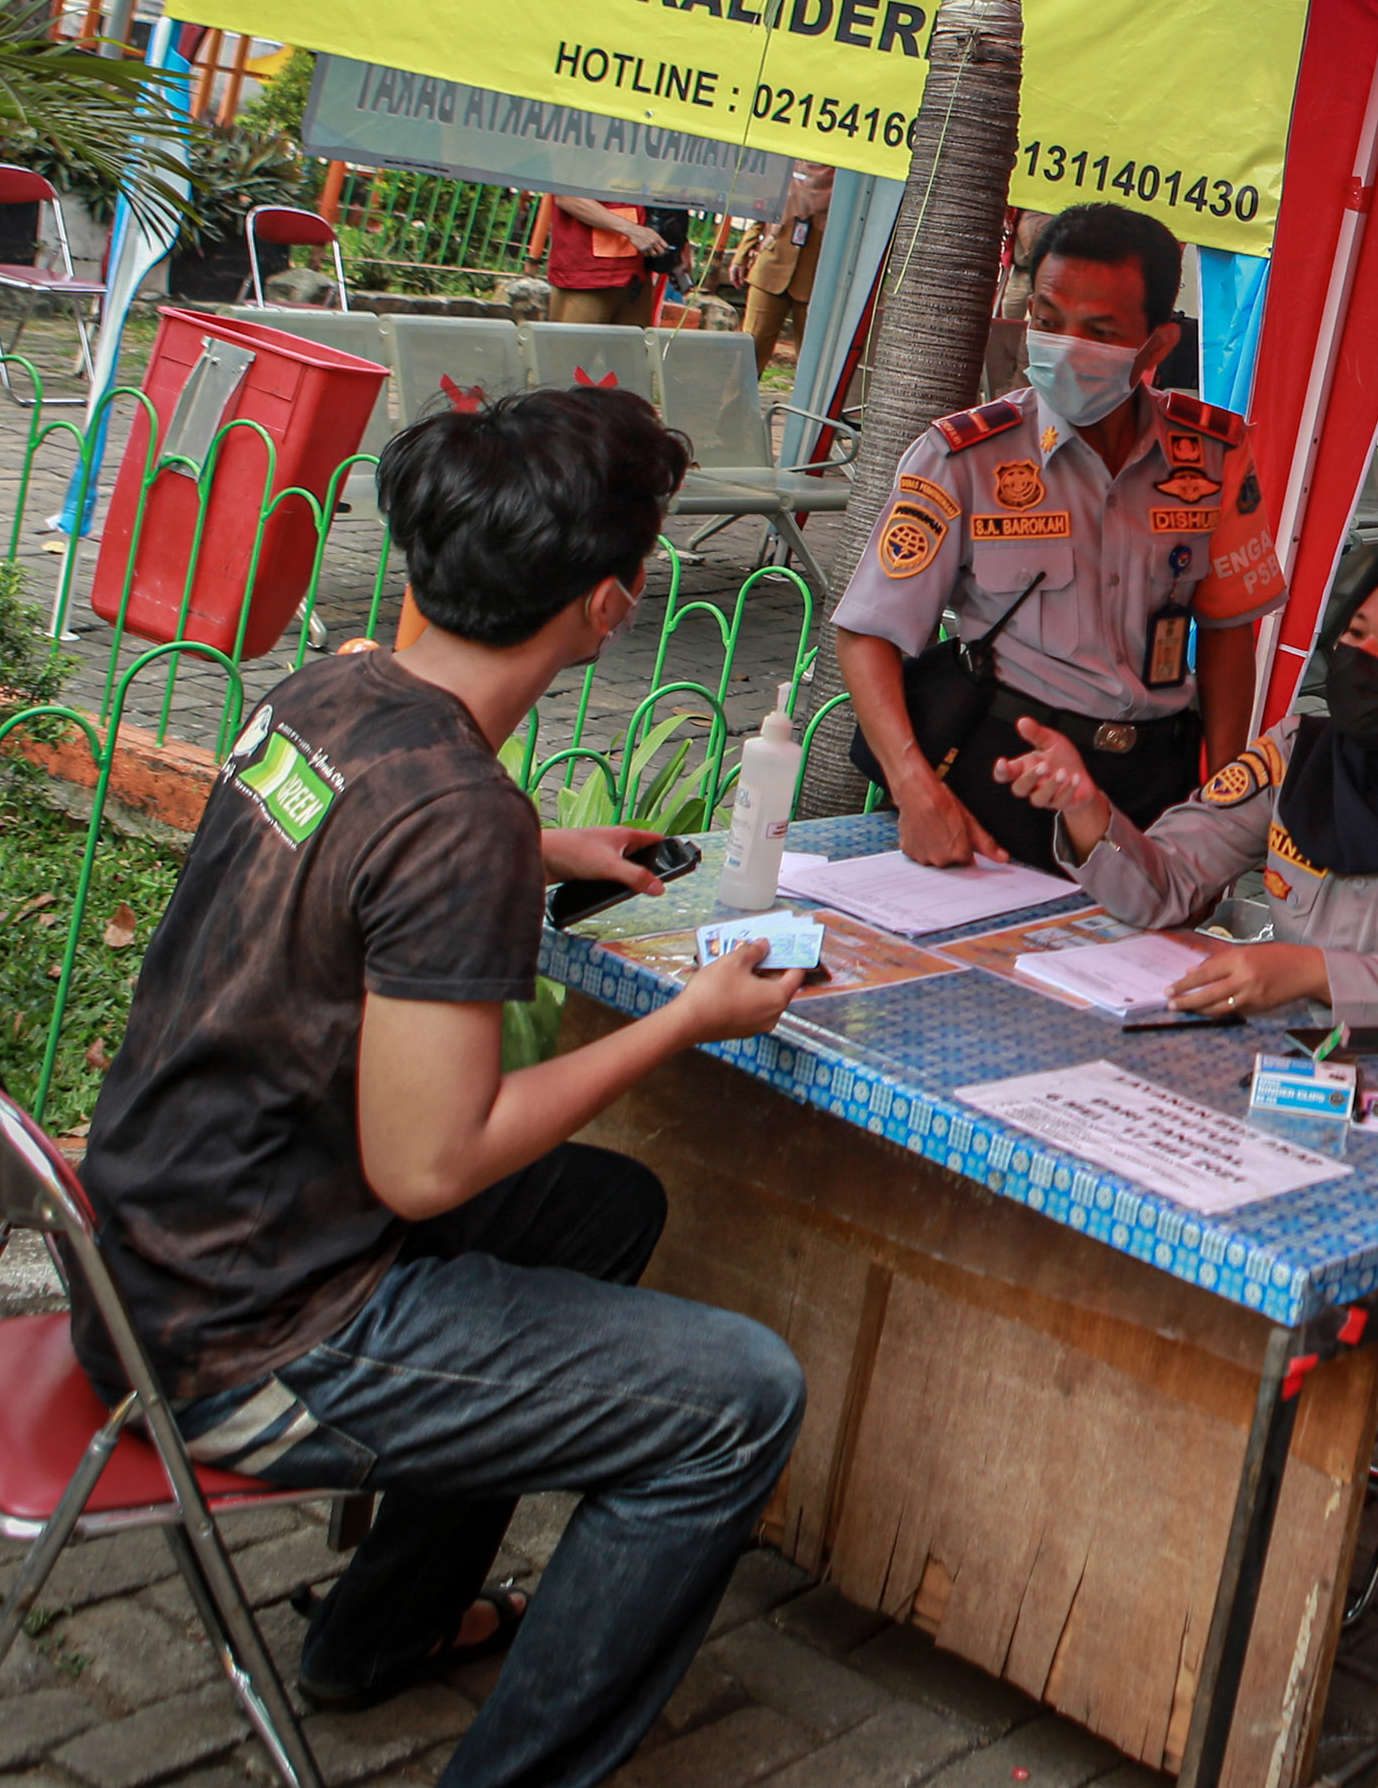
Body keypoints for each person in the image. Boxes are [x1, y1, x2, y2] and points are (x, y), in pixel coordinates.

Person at [73, 387, 812, 1788]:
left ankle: (383, 1628)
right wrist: (690, 1018)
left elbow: (367, 842)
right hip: (253, 1336)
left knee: (600, 1209)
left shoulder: (336, 690)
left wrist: (543, 845)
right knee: (741, 1397)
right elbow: (428, 1164)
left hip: (152, 1254)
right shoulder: (457, 814)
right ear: (606, 605)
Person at [831, 202, 1278, 874]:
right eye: (1047, 320)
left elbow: (1227, 632)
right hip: (1007, 773)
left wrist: (1220, 804)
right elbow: (867, 632)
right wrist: (913, 786)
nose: (1065, 345)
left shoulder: (1212, 456)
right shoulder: (965, 457)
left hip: (1153, 783)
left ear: (1156, 345)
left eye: (1099, 331)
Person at [989, 556, 1378, 1041]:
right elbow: (1163, 888)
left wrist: (1316, 974)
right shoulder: (1297, 758)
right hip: (1292, 1064)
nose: (1361, 657)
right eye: (1355, 633)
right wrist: (1087, 810)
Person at [742, 160, 834, 363]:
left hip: (816, 278)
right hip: (771, 267)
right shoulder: (787, 165)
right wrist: (743, 254)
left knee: (812, 359)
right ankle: (742, 386)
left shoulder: (846, 176)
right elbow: (763, 209)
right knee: (751, 348)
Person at [542, 193, 664, 325]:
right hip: (587, 275)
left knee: (634, 337)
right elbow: (568, 197)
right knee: (575, 337)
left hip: (635, 273)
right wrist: (632, 230)